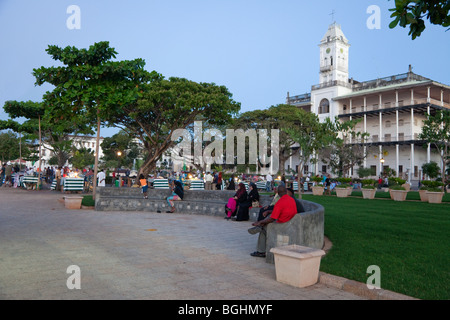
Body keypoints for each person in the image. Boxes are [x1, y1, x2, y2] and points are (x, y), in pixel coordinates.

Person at [248, 185, 298, 258]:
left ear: (278, 193)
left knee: (263, 229)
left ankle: (261, 251)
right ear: (286, 191)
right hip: (290, 223)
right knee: (264, 223)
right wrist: (269, 211)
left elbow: (272, 219)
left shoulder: (280, 202)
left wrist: (260, 222)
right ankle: (259, 227)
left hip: (282, 225)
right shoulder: (291, 199)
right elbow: (283, 210)